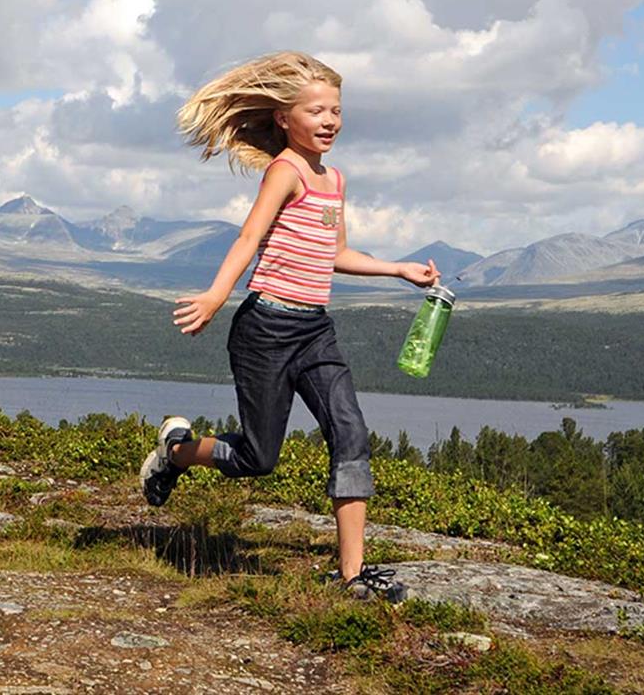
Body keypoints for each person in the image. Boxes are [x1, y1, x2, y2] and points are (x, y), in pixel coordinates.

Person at [140, 51, 439, 595]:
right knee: (258, 457)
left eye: (337, 111)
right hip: (265, 332)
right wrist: (215, 296)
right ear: (284, 117)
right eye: (318, 110)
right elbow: (249, 238)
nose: (330, 121)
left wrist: (398, 268)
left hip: (313, 331)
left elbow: (336, 253)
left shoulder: (335, 179)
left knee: (350, 432)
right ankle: (176, 450)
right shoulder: (286, 171)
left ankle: (352, 576)